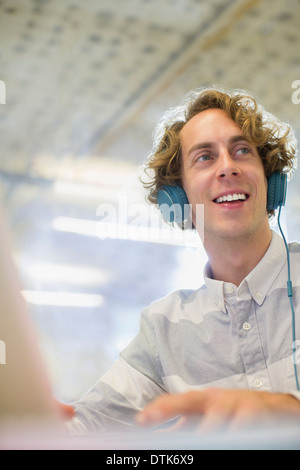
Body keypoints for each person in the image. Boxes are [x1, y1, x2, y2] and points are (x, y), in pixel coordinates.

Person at [66, 87, 300, 433]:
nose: (228, 167)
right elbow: (86, 429)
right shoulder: (163, 329)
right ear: (177, 198)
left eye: (242, 151)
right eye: (205, 157)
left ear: (271, 181)